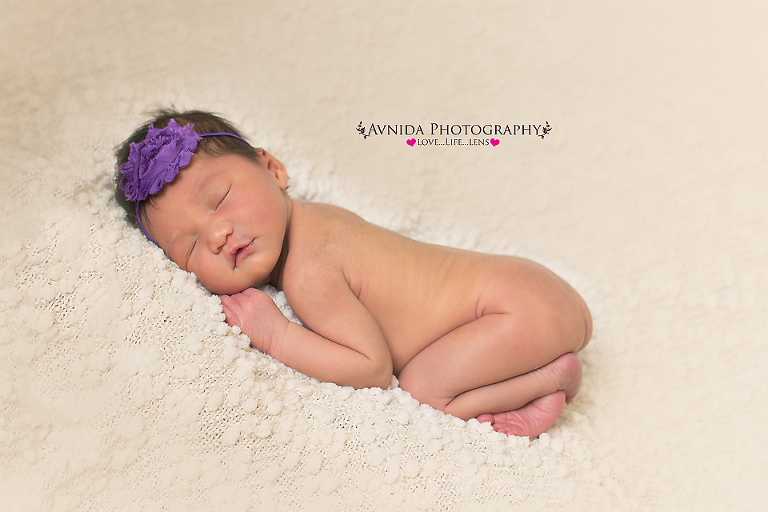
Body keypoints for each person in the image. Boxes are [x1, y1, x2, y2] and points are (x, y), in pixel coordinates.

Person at [115, 109, 592, 438]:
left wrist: (275, 333)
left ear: (272, 168)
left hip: (510, 312)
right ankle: (546, 362)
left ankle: (551, 377)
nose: (218, 233)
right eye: (192, 246)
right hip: (527, 287)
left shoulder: (309, 271)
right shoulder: (320, 219)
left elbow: (371, 368)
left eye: (219, 198)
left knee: (422, 390)